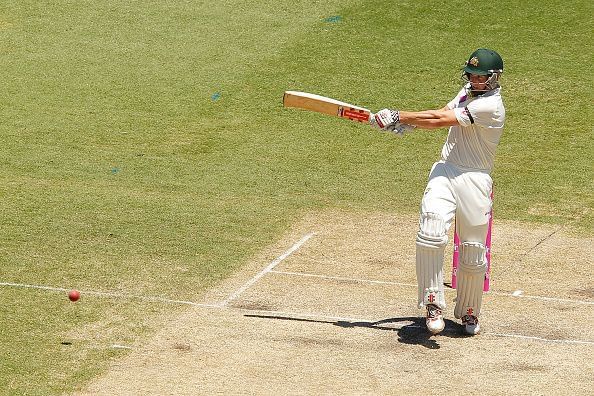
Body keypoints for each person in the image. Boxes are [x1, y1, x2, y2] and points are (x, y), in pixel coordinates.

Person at [371, 48, 505, 335]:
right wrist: (405, 123)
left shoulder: (491, 106)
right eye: (471, 74)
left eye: (480, 76)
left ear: (493, 79)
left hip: (475, 179)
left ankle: (470, 311)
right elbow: (442, 114)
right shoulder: (467, 93)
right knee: (431, 231)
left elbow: (441, 120)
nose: (473, 79)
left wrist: (398, 114)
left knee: (472, 250)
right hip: (446, 169)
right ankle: (433, 302)